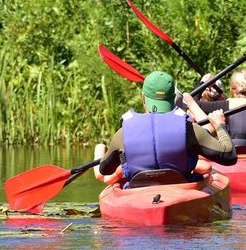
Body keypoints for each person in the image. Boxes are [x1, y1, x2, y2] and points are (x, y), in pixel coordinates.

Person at [93, 71, 237, 186]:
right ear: (173, 97)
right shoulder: (190, 129)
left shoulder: (123, 133)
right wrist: (220, 125)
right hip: (182, 192)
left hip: (137, 194)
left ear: (143, 98)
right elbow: (229, 156)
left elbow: (105, 170)